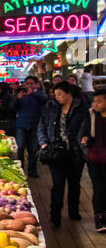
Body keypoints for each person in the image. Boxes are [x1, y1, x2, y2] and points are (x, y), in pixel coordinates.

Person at [37, 80, 88, 227]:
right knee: (58, 184)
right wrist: (44, 142)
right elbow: (42, 125)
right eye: (55, 94)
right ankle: (55, 215)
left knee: (74, 184)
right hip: (56, 152)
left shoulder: (80, 108)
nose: (57, 97)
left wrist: (86, 140)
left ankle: (74, 211)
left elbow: (86, 128)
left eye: (60, 94)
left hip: (75, 152)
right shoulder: (51, 107)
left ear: (68, 93)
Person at [82, 88, 106, 232]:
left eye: (99, 101)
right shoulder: (91, 115)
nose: (95, 104)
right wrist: (86, 139)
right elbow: (86, 134)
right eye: (94, 101)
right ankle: (99, 220)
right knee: (99, 189)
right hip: (95, 159)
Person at [14, 76, 47, 177]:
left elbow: (45, 99)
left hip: (35, 126)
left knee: (33, 150)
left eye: (31, 83)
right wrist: (17, 98)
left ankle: (32, 171)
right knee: (20, 149)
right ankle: (21, 172)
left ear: (36, 84)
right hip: (21, 126)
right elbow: (11, 107)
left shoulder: (40, 94)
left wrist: (32, 93)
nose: (28, 85)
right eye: (27, 83)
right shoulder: (21, 95)